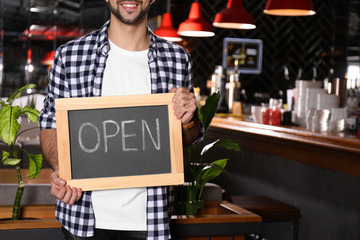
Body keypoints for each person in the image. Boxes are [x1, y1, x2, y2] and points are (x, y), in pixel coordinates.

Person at [38, 0, 203, 239]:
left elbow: (186, 137)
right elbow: (50, 124)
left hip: (151, 221)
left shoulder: (177, 59)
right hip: (83, 219)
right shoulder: (70, 56)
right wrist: (62, 170)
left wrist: (188, 119)